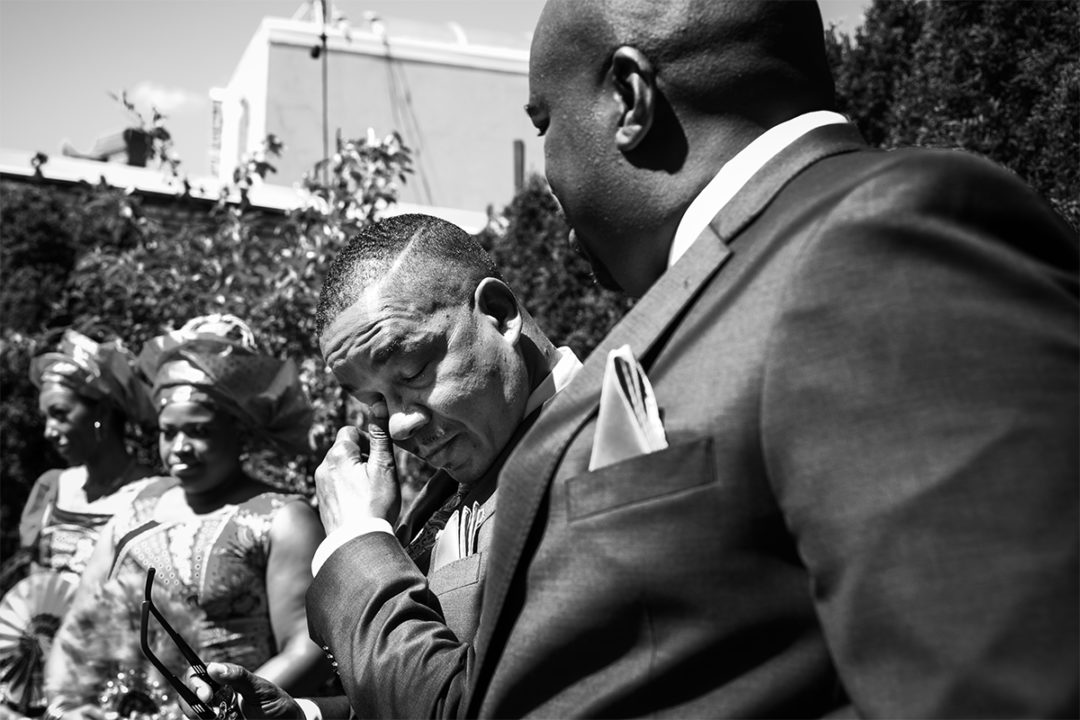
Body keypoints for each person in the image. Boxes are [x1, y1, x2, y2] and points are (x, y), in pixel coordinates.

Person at [311, 0, 1079, 717]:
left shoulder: (880, 241)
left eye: (544, 123)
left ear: (630, 98)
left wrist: (356, 551)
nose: (544, 180)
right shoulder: (708, 308)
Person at [179, 214, 581, 720]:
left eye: (411, 372)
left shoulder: (594, 457)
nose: (398, 425)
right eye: (374, 402)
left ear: (498, 315)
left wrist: (358, 544)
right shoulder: (461, 480)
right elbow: (445, 675)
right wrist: (306, 716)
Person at [43, 315, 329, 720]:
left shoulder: (283, 518)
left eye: (200, 431)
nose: (180, 448)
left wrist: (224, 708)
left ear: (240, 431)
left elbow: (307, 646)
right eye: (167, 431)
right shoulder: (135, 507)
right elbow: (79, 624)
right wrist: (65, 705)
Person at [0, 329, 157, 717]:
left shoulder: (152, 496)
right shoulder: (52, 488)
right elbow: (37, 587)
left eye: (60, 414)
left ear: (101, 411)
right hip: (39, 667)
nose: (49, 431)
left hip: (113, 674)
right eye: (45, 417)